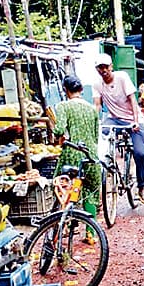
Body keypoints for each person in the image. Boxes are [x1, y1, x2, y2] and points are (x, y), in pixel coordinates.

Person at [93, 53, 144, 204]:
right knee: (102, 133)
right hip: (115, 120)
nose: (103, 70)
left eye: (106, 66)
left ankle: (141, 187)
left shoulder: (122, 77)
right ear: (97, 69)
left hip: (133, 119)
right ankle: (107, 162)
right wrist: (96, 121)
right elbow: (97, 105)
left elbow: (133, 100)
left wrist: (136, 121)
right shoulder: (97, 84)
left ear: (111, 67)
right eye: (100, 67)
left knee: (140, 154)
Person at [51, 75, 101, 242]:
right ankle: (90, 234)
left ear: (66, 90)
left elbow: (59, 130)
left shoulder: (63, 106)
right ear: (81, 90)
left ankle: (64, 226)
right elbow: (95, 136)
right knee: (90, 192)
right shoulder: (92, 108)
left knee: (63, 187)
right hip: (91, 154)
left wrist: (56, 133)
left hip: (72, 153)